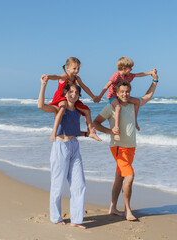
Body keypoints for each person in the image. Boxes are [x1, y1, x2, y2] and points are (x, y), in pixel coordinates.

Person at [93, 71, 159, 221]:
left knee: (119, 177)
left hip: (131, 147)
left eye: (127, 91)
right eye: (122, 91)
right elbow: (95, 123)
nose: (125, 94)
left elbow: (147, 97)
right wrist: (110, 131)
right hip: (118, 148)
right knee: (129, 176)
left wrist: (155, 81)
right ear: (117, 92)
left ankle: (112, 207)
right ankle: (128, 210)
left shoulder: (132, 104)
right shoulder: (111, 108)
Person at [38, 74, 88, 229]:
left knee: (79, 184)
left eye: (76, 93)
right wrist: (43, 85)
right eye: (70, 92)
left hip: (74, 146)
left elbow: (74, 129)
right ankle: (55, 217)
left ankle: (76, 220)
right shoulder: (59, 108)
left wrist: (87, 133)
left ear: (79, 96)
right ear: (65, 93)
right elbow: (41, 105)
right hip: (60, 146)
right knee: (58, 185)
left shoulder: (78, 110)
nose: (73, 95)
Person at [95, 56, 156, 141]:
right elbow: (106, 86)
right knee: (118, 107)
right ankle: (116, 130)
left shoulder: (128, 75)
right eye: (130, 68)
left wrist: (150, 73)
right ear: (124, 68)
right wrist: (99, 97)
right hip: (113, 96)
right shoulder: (116, 75)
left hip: (122, 96)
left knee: (137, 102)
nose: (131, 69)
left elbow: (139, 74)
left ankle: (135, 121)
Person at [46, 57, 101, 142]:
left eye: (78, 68)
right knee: (62, 109)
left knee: (87, 111)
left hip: (72, 98)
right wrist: (48, 77)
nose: (76, 70)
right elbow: (56, 77)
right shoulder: (65, 76)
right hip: (62, 97)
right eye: (74, 68)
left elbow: (84, 87)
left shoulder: (77, 78)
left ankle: (90, 131)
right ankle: (54, 133)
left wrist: (93, 96)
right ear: (67, 68)